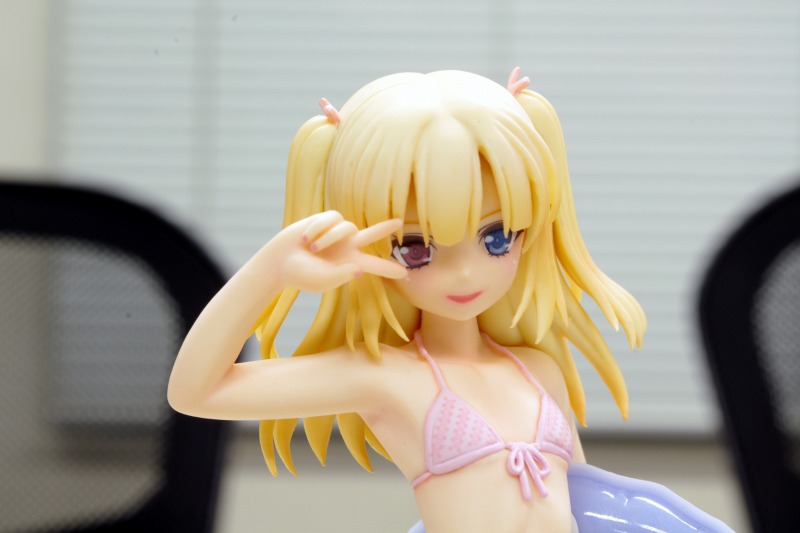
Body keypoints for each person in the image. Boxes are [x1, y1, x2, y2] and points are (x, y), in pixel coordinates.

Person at [169, 68, 648, 532]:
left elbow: (590, 505)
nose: (465, 273)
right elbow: (195, 392)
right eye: (416, 249)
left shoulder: (538, 370)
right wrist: (271, 268)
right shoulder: (384, 375)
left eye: (497, 237)